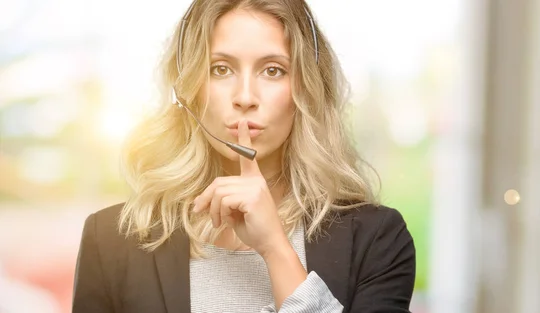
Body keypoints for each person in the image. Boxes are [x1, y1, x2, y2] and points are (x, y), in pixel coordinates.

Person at [72, 0, 416, 312]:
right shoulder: (110, 241)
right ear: (188, 89)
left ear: (306, 91)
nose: (245, 97)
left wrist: (276, 249)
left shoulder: (377, 240)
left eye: (273, 70)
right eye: (221, 69)